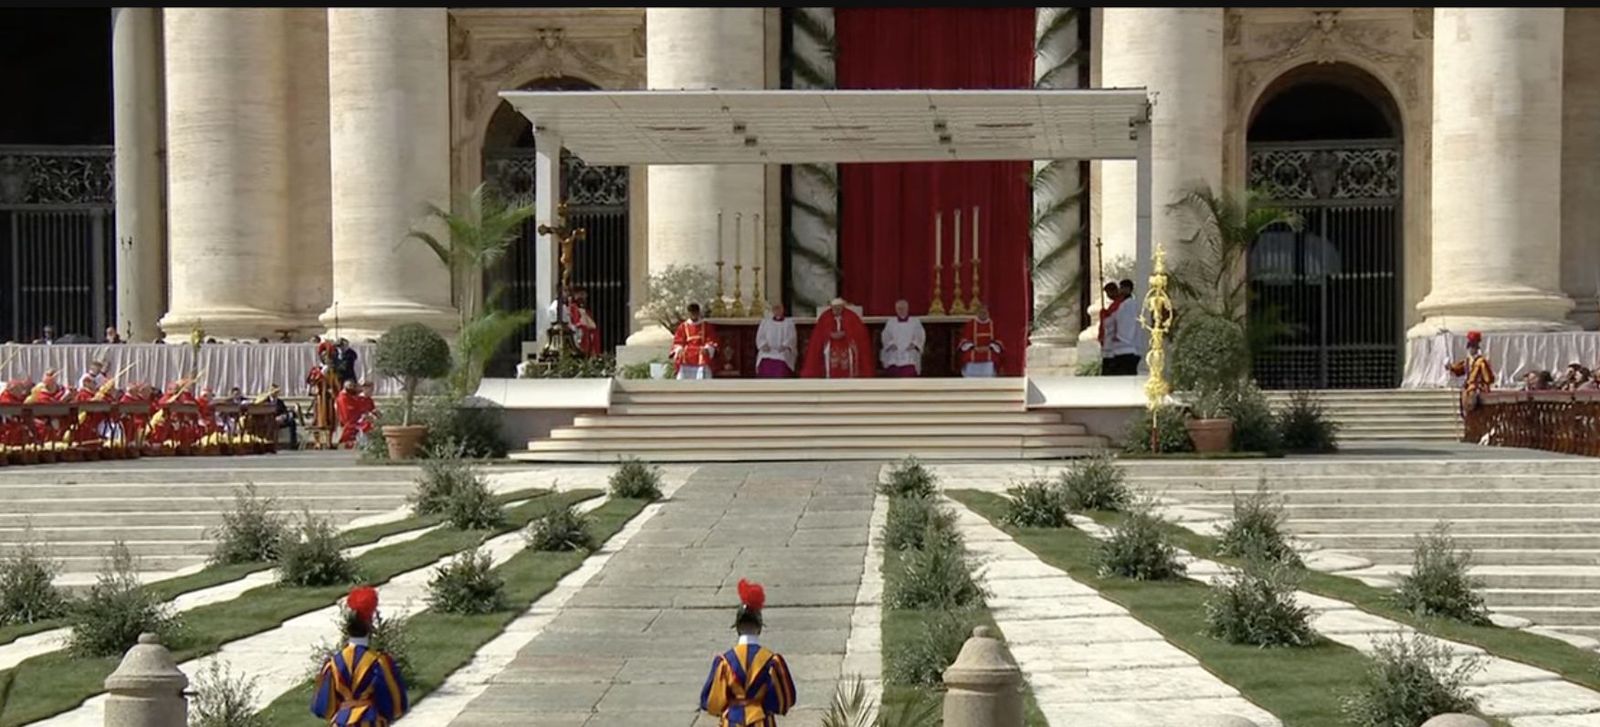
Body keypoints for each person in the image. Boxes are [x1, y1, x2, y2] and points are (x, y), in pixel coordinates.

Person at [699, 579, 797, 726]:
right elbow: (785, 700)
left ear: (737, 627)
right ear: (759, 627)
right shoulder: (772, 661)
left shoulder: (724, 661)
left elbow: (711, 702)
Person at [311, 585, 410, 726]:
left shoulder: (333, 663)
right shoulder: (379, 662)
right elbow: (396, 704)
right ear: (370, 626)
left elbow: (323, 708)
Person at [800, 298, 875, 379]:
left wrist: (847, 334)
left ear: (843, 307)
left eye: (839, 307)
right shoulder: (825, 317)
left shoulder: (852, 316)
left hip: (847, 344)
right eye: (834, 308)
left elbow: (859, 335)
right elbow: (818, 338)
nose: (836, 310)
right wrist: (829, 335)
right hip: (829, 345)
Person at [1445, 330, 1494, 416]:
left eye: (1473, 347)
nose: (1471, 349)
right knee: (1464, 394)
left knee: (1472, 395)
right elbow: (1459, 369)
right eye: (1470, 347)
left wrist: (1483, 383)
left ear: (1476, 348)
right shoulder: (1467, 361)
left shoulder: (1481, 362)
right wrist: (1450, 367)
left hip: (1477, 388)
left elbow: (1488, 378)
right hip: (1468, 387)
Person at [1103, 279, 1142, 376]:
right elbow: (1115, 318)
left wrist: (1120, 335)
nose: (1120, 290)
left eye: (1122, 288)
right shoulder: (1122, 304)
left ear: (1129, 289)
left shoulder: (1129, 304)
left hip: (1126, 345)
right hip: (1119, 348)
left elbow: (1126, 322)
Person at [672, 303, 719, 380]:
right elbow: (678, 341)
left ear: (698, 312)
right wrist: (679, 348)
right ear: (688, 313)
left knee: (704, 355)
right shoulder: (683, 327)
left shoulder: (706, 326)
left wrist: (708, 348)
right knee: (682, 355)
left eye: (695, 312)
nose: (693, 314)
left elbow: (711, 339)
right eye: (691, 312)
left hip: (702, 351)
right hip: (686, 353)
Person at [880, 299, 925, 377]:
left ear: (907, 309)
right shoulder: (891, 322)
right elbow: (885, 335)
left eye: (903, 308)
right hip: (895, 354)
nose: (901, 310)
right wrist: (891, 344)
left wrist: (914, 344)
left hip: (909, 354)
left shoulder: (915, 321)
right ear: (896, 309)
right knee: (893, 372)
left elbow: (920, 334)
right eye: (899, 308)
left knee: (908, 373)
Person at [958, 303, 1003, 378]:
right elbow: (965, 339)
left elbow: (999, 340)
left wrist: (989, 347)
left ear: (988, 313)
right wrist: (974, 347)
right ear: (977, 313)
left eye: (985, 312)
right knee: (968, 356)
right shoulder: (971, 324)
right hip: (974, 350)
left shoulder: (993, 324)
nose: (983, 314)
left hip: (988, 350)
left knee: (993, 357)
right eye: (981, 312)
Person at [754, 303, 798, 378]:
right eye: (775, 309)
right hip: (768, 350)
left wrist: (785, 345)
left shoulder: (789, 323)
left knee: (782, 360)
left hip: (782, 351)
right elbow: (760, 336)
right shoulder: (765, 322)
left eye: (779, 308)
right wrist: (763, 345)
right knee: (764, 358)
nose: (777, 311)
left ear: (782, 310)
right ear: (772, 311)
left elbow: (792, 337)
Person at [335, 379, 375, 449]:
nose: (371, 391)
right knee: (365, 425)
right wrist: (364, 416)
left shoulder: (368, 399)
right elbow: (352, 410)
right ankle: (363, 443)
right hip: (353, 420)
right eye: (370, 389)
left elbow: (372, 409)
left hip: (362, 418)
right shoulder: (352, 398)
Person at [1097, 281, 1122, 372]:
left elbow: (1113, 320)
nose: (1108, 295)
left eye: (1109, 293)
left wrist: (1105, 315)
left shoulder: (1120, 304)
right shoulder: (1114, 304)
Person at [265, 384, 298, 450]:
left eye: (276, 392)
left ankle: (293, 444)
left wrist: (283, 416)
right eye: (273, 391)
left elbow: (285, 411)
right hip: (270, 421)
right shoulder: (266, 401)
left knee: (292, 422)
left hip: (280, 420)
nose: (275, 393)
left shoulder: (280, 402)